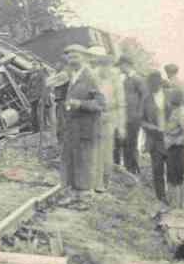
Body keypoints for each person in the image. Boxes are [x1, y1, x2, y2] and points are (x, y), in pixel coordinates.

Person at [58, 44, 107, 201]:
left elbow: (101, 104)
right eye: (70, 56)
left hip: (86, 127)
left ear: (85, 57)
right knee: (72, 159)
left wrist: (80, 104)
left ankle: (85, 197)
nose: (72, 59)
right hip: (73, 127)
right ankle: (73, 194)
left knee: (84, 161)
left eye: (76, 56)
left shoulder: (91, 76)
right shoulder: (74, 75)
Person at [90, 47, 125, 191]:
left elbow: (121, 103)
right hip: (94, 117)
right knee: (93, 151)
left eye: (107, 65)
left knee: (106, 152)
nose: (104, 68)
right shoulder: (93, 77)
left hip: (109, 118)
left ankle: (104, 182)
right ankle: (94, 181)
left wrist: (121, 126)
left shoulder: (115, 80)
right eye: (102, 65)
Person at [139, 71, 170, 204]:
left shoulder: (170, 97)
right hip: (154, 140)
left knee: (173, 170)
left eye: (154, 84)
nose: (152, 87)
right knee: (157, 170)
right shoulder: (146, 99)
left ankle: (174, 198)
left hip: (171, 140)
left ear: (160, 84)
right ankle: (161, 198)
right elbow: (141, 120)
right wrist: (153, 128)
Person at [116, 55, 147, 176]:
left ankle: (133, 169)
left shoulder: (137, 79)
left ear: (126, 65)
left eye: (121, 66)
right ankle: (126, 168)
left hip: (134, 117)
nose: (120, 68)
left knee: (132, 143)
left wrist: (139, 113)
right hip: (125, 116)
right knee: (124, 142)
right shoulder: (125, 79)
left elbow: (145, 97)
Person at [162, 92, 184, 209]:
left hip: (177, 149)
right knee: (172, 177)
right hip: (172, 148)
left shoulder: (180, 112)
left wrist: (178, 141)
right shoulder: (177, 111)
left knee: (176, 178)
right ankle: (174, 204)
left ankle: (178, 205)